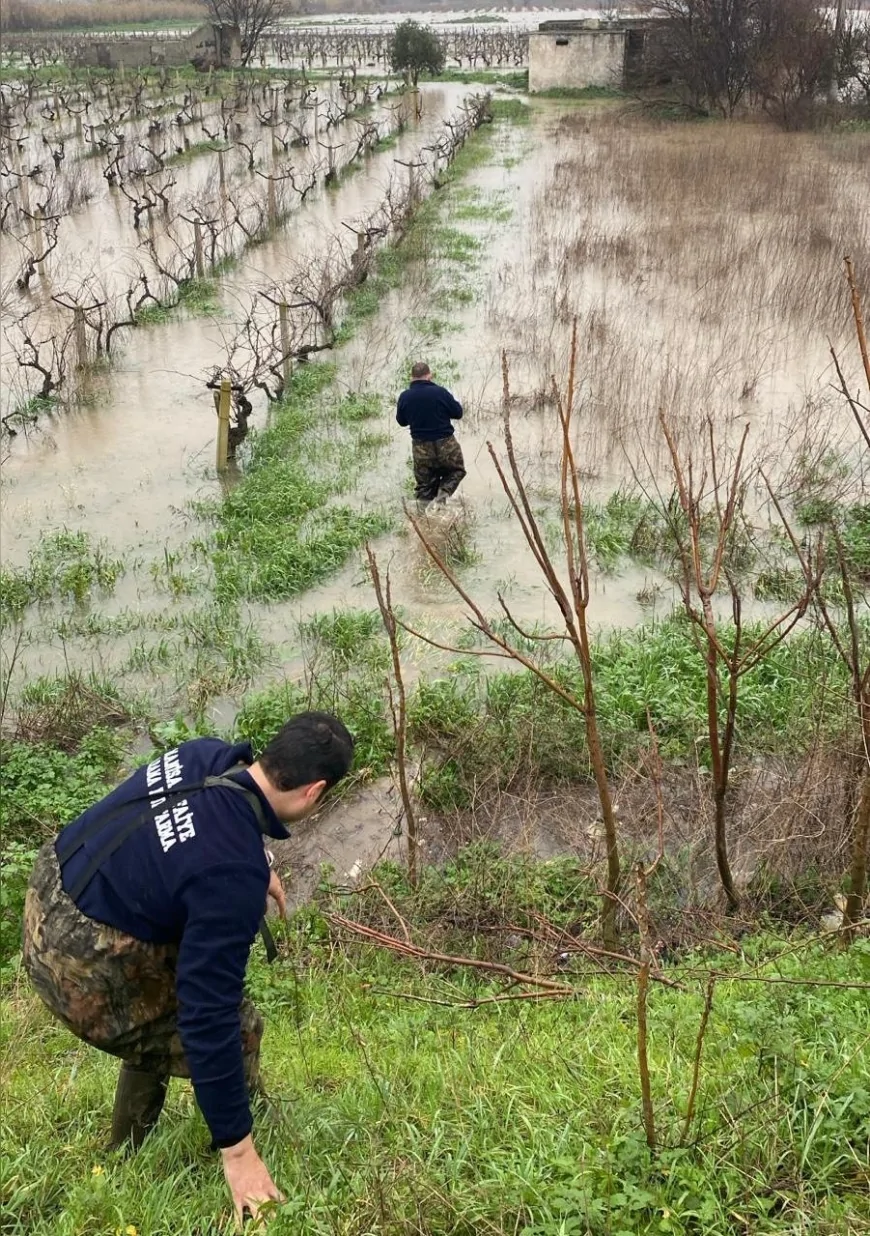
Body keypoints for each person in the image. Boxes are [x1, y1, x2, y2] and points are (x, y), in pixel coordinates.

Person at [23, 711, 354, 1226]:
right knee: (234, 1026)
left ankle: (129, 1149)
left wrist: (257, 863)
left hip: (48, 891)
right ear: (314, 791)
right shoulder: (231, 877)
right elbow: (208, 1012)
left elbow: (190, 830)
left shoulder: (206, 754)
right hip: (73, 961)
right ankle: (234, 1138)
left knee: (165, 993)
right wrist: (236, 1153)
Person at [396, 361, 466, 509]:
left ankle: (423, 521)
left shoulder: (405, 397)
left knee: (425, 488)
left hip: (421, 448)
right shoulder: (440, 392)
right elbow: (458, 413)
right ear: (429, 376)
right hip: (446, 444)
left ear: (411, 378)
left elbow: (401, 421)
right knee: (456, 471)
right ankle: (443, 495)